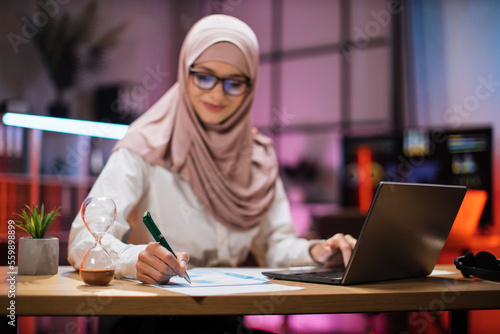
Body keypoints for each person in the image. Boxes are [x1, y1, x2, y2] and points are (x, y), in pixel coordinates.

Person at [68, 14, 356, 286]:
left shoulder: (257, 156)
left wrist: (319, 251)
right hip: (152, 315)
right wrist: (135, 260)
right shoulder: (146, 145)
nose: (217, 93)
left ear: (251, 86)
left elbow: (274, 245)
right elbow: (84, 239)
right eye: (204, 76)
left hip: (227, 313)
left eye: (235, 83)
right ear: (185, 72)